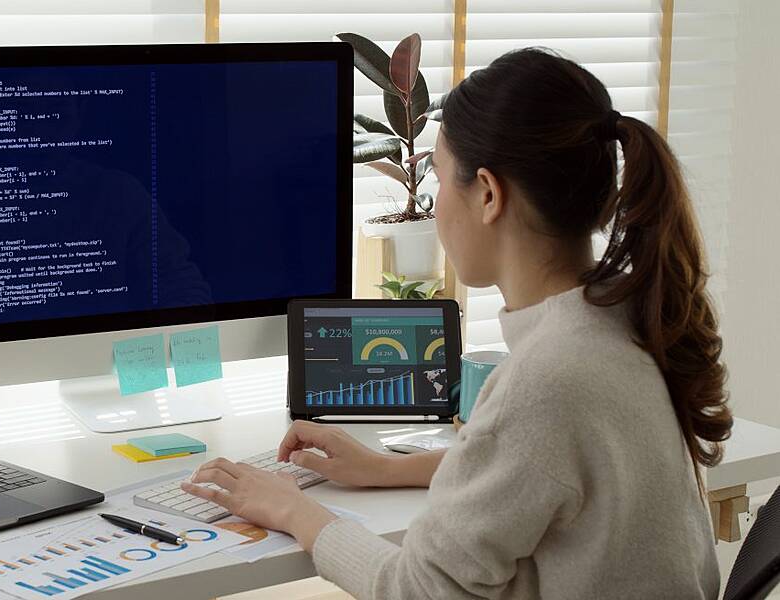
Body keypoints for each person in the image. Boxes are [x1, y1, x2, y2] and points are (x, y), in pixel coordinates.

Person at [180, 48, 732, 599]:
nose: (435, 205)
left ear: (488, 195)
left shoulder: (548, 380)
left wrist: (294, 509)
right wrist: (385, 468)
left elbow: (416, 589)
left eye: (441, 178)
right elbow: (539, 471)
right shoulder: (624, 317)